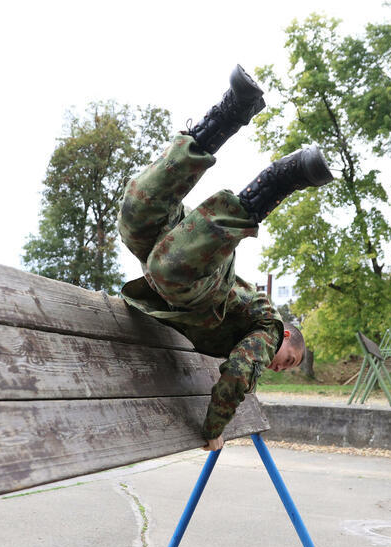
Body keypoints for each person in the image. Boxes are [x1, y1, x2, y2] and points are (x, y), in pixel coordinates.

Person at [117, 65, 333, 452]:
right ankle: (280, 181)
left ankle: (233, 112)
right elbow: (238, 373)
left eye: (286, 368)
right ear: (285, 336)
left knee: (136, 215)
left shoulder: (260, 330)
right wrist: (213, 429)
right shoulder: (268, 326)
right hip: (202, 285)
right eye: (289, 359)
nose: (280, 367)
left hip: (184, 273)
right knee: (169, 271)